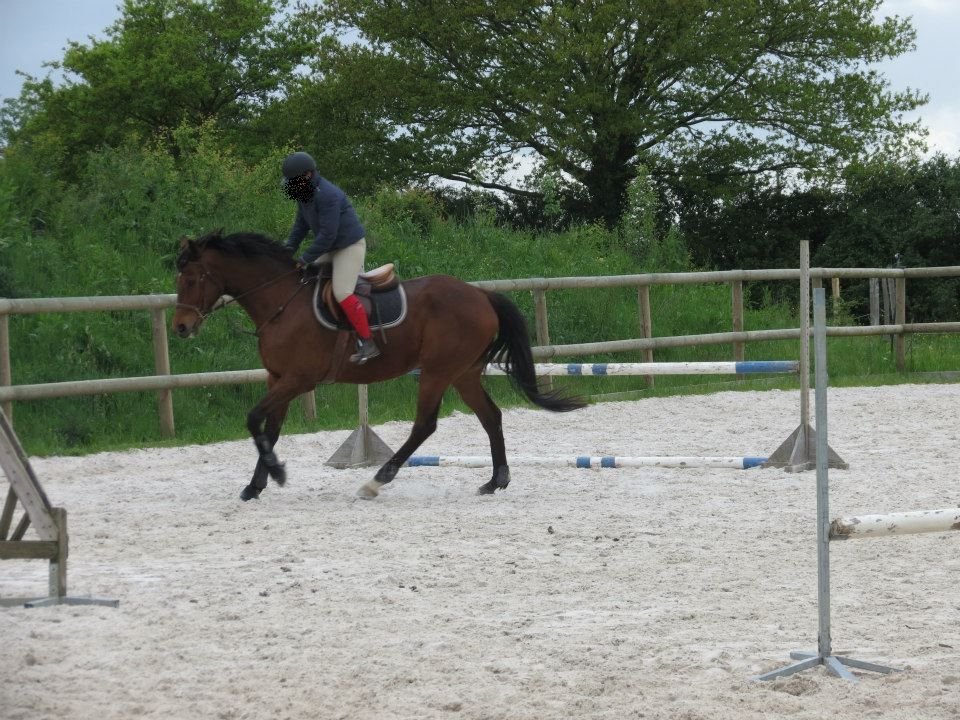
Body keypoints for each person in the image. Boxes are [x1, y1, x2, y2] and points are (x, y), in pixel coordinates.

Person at [281, 151, 380, 364]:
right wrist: (287, 250)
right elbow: (300, 227)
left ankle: (368, 342)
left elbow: (327, 235)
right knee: (305, 279)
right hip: (331, 246)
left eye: (293, 180)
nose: (291, 185)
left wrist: (304, 258)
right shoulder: (304, 193)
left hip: (349, 247)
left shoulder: (328, 195)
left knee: (342, 292)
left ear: (308, 175)